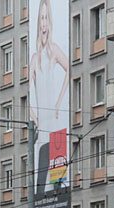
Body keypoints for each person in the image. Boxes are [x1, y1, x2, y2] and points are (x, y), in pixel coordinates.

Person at [29, 0, 69, 194]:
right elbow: (28, 93)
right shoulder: (34, 57)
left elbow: (70, 69)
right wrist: (34, 117)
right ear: (38, 22)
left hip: (54, 121)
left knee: (56, 173)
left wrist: (58, 104)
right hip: (41, 122)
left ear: (50, 21)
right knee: (40, 174)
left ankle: (55, 194)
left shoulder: (53, 49)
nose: (43, 23)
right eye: (41, 18)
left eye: (46, 18)